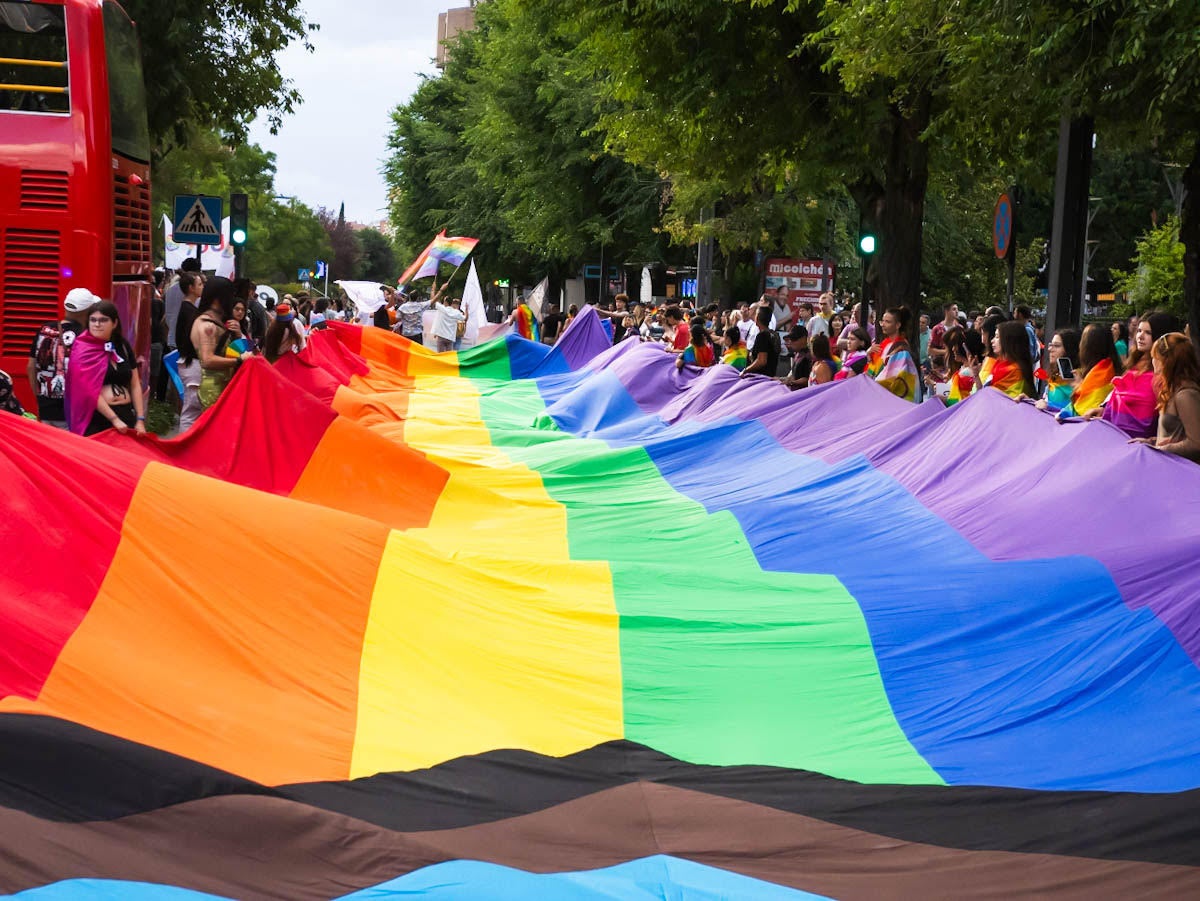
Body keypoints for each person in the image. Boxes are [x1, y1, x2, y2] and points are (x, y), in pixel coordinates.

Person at [1091, 311, 1181, 437]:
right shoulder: (1132, 366)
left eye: (1148, 333)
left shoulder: (1165, 374)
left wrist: (1154, 441)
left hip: (1140, 446)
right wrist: (1103, 410)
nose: (1140, 336)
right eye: (1139, 331)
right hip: (1110, 435)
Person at [64, 300, 146, 436]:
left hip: (126, 414)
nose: (97, 324)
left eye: (103, 320)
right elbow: (89, 390)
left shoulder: (122, 345)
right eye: (93, 320)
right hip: (97, 417)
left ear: (114, 323)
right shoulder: (82, 350)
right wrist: (114, 419)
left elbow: (135, 383)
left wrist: (140, 418)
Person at [27, 287, 92, 427]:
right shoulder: (84, 336)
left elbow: (31, 367)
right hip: (72, 412)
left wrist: (39, 398)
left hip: (45, 407)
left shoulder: (44, 329)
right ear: (87, 311)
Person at [190, 277, 250, 420]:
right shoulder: (208, 326)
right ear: (218, 298)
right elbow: (207, 360)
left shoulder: (217, 321)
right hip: (213, 389)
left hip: (222, 386)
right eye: (229, 295)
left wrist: (237, 334)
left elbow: (240, 349)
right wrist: (239, 360)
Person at [1134, 333, 1200, 461]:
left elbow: (1196, 443)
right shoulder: (1174, 390)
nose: (1153, 360)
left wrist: (1161, 449)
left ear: (1167, 361)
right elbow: (1175, 435)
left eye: (1155, 357)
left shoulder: (1185, 395)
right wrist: (1151, 442)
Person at [1057, 322, 1122, 418]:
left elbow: (1082, 412)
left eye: (1057, 345)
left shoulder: (1101, 374)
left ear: (1087, 347)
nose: (1050, 349)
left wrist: (1079, 386)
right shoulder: (1109, 366)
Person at [867, 307, 918, 401]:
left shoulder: (902, 347)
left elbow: (896, 375)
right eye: (882, 321)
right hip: (878, 392)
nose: (883, 324)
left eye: (888, 322)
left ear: (898, 325)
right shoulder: (884, 343)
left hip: (891, 396)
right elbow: (873, 369)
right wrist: (868, 354)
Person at [984, 320, 1036, 398]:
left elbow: (1011, 403)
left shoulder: (1016, 371)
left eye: (997, 337)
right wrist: (976, 375)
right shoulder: (998, 364)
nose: (992, 341)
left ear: (1009, 341)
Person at [1034, 328, 1080, 414]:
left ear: (1070, 349)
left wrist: (1049, 407)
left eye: (1057, 346)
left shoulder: (1078, 378)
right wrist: (1028, 402)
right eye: (1050, 345)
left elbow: (1080, 411)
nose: (1050, 349)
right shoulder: (1055, 375)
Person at [741, 305, 780, 378]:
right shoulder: (774, 334)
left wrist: (746, 370)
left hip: (760, 378)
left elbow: (761, 361)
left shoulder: (762, 336)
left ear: (757, 317)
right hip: (770, 376)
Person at [928, 301, 959, 369]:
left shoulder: (959, 328)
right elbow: (930, 350)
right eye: (954, 309)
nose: (957, 311)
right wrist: (947, 351)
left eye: (957, 309)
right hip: (942, 366)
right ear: (946, 311)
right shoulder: (937, 329)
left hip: (957, 365)